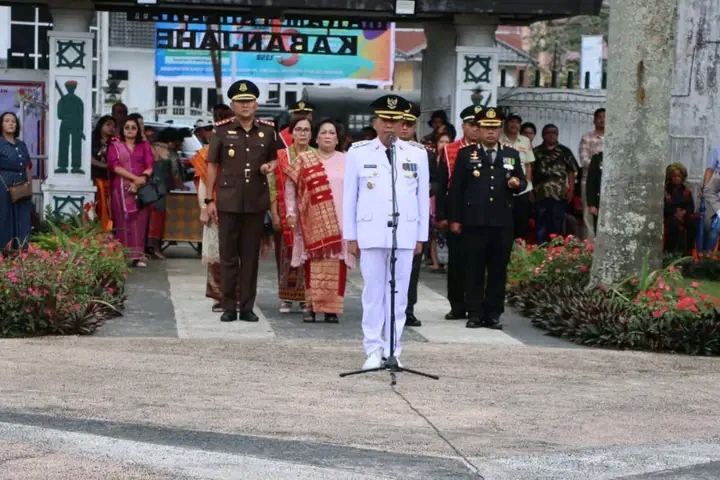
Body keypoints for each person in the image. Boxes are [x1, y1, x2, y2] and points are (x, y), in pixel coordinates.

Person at [343, 94, 429, 370]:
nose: (390, 126)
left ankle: (394, 349)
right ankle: (372, 349)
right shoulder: (358, 153)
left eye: (395, 120)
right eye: (385, 120)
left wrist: (420, 236)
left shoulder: (417, 153)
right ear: (376, 122)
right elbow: (349, 198)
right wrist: (351, 236)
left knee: (399, 295)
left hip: (404, 233)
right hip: (370, 231)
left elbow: (421, 198)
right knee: (373, 293)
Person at [204, 80, 278, 323]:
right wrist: (208, 200)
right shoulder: (221, 130)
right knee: (228, 257)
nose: (245, 105)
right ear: (232, 105)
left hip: (255, 201)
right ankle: (228, 305)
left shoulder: (267, 131)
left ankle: (246, 307)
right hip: (227, 201)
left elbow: (276, 159)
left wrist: (270, 166)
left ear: (256, 104)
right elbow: (212, 165)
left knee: (250, 257)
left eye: (249, 101)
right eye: (240, 101)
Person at [448, 107, 527, 330]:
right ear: (479, 129)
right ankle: (473, 313)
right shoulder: (467, 154)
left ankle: (493, 313)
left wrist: (516, 184)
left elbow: (522, 182)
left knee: (498, 270)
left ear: (500, 130)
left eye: (494, 128)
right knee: (473, 268)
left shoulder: (511, 154)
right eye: (486, 128)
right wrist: (455, 219)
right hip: (474, 221)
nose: (490, 132)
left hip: (502, 222)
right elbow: (456, 189)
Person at [285, 118, 353, 322]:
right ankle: (310, 307)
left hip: (340, 221)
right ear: (317, 137)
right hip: (311, 221)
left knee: (337, 264)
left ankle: (332, 310)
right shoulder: (305, 159)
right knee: (312, 264)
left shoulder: (348, 160)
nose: (327, 136)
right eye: (323, 132)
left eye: (331, 133)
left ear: (337, 138)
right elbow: (290, 186)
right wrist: (290, 212)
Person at [189, 105, 242, 312]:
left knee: (237, 254)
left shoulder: (242, 148)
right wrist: (204, 206)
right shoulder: (208, 151)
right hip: (215, 207)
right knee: (218, 256)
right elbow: (203, 181)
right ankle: (220, 297)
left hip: (238, 207)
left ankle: (237, 296)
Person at [436, 105, 482, 321]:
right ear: (463, 126)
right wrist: (443, 216)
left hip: (481, 215)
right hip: (457, 212)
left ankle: (476, 304)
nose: (475, 129)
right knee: (456, 263)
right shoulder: (450, 149)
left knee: (478, 262)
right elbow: (443, 185)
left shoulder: (489, 149)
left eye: (479, 125)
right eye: (472, 125)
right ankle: (457, 305)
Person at [396, 101, 438, 327]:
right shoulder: (383, 151)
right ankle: (387, 308)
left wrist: (423, 191)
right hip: (389, 217)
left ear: (414, 127)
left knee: (412, 268)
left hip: (413, 216)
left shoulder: (424, 154)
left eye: (409, 125)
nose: (404, 129)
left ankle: (408, 308)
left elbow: (439, 181)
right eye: (401, 124)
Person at [269, 116, 311, 313]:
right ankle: (286, 297)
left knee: (307, 256)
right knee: (285, 255)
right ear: (291, 133)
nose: (302, 133)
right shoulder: (280, 156)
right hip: (286, 214)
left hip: (311, 215)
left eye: (306, 130)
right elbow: (272, 187)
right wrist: (276, 215)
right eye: (298, 129)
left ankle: (305, 297)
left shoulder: (317, 156)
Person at [106, 117, 155, 267]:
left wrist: (142, 179)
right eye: (127, 127)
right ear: (123, 129)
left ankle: (138, 255)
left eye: (133, 127)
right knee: (123, 220)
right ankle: (124, 254)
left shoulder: (144, 145)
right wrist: (135, 179)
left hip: (141, 188)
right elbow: (114, 166)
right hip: (121, 188)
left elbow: (150, 164)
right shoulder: (115, 146)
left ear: (138, 130)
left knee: (140, 221)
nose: (130, 130)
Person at [147, 128, 187, 258]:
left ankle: (144, 247)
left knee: (145, 219)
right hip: (160, 190)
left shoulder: (149, 148)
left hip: (145, 188)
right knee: (158, 218)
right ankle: (155, 248)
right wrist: (182, 186)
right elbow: (176, 174)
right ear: (171, 142)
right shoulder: (171, 154)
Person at [0, 112, 33, 251]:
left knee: (23, 217)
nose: (11, 123)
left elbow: (27, 166)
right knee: (5, 217)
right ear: (1, 124)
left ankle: (21, 250)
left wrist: (29, 186)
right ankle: (5, 250)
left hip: (21, 185)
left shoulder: (21, 144)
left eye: (13, 121)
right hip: (4, 185)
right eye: (7, 121)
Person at [664, 163, 697, 256]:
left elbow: (691, 207)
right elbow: (665, 206)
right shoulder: (665, 190)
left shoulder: (686, 190)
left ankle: (690, 251)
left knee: (692, 223)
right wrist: (675, 213)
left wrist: (683, 212)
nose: (676, 178)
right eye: (674, 176)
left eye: (678, 176)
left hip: (684, 214)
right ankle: (670, 252)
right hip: (670, 215)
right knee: (672, 224)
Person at [90, 115, 116, 231]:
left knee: (111, 206)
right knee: (98, 205)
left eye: (113, 126)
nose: (111, 128)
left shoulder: (115, 143)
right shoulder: (92, 140)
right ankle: (98, 229)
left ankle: (109, 229)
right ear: (101, 125)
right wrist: (105, 165)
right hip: (96, 178)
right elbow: (88, 158)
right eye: (108, 124)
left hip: (111, 179)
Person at [586, 152, 603, 233]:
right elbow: (591, 182)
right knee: (599, 230)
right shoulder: (597, 158)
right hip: (599, 201)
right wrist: (592, 204)